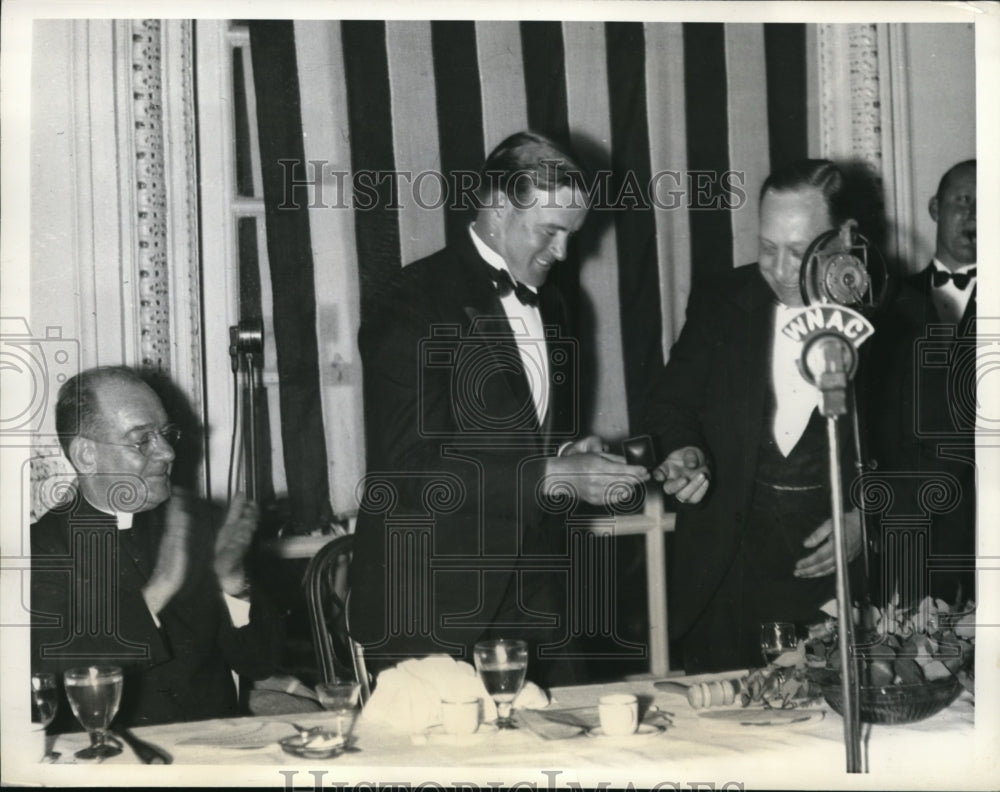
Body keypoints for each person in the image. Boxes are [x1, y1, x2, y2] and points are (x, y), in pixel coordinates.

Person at [350, 131, 648, 686]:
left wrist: (566, 452)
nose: (562, 252)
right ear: (498, 206)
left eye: (571, 235)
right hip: (434, 607)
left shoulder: (557, 302)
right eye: (550, 231)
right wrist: (552, 473)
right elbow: (407, 467)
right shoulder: (409, 301)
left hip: (540, 599)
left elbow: (523, 439)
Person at [641, 159, 868, 673]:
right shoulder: (722, 300)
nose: (783, 272)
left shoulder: (899, 311)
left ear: (847, 238)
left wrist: (865, 518)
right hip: (726, 583)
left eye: (799, 251)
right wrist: (684, 448)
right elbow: (669, 401)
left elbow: (929, 453)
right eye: (769, 250)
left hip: (841, 584)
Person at [31, 366, 284, 728]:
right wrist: (158, 590)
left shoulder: (200, 525)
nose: (166, 452)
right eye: (141, 439)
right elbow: (45, 675)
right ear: (86, 455)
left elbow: (260, 662)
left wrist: (233, 582)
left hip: (216, 752)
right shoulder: (40, 550)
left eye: (166, 434)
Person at [864, 160, 977, 606]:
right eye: (963, 201)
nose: (974, 218)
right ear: (935, 207)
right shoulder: (885, 299)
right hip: (910, 531)